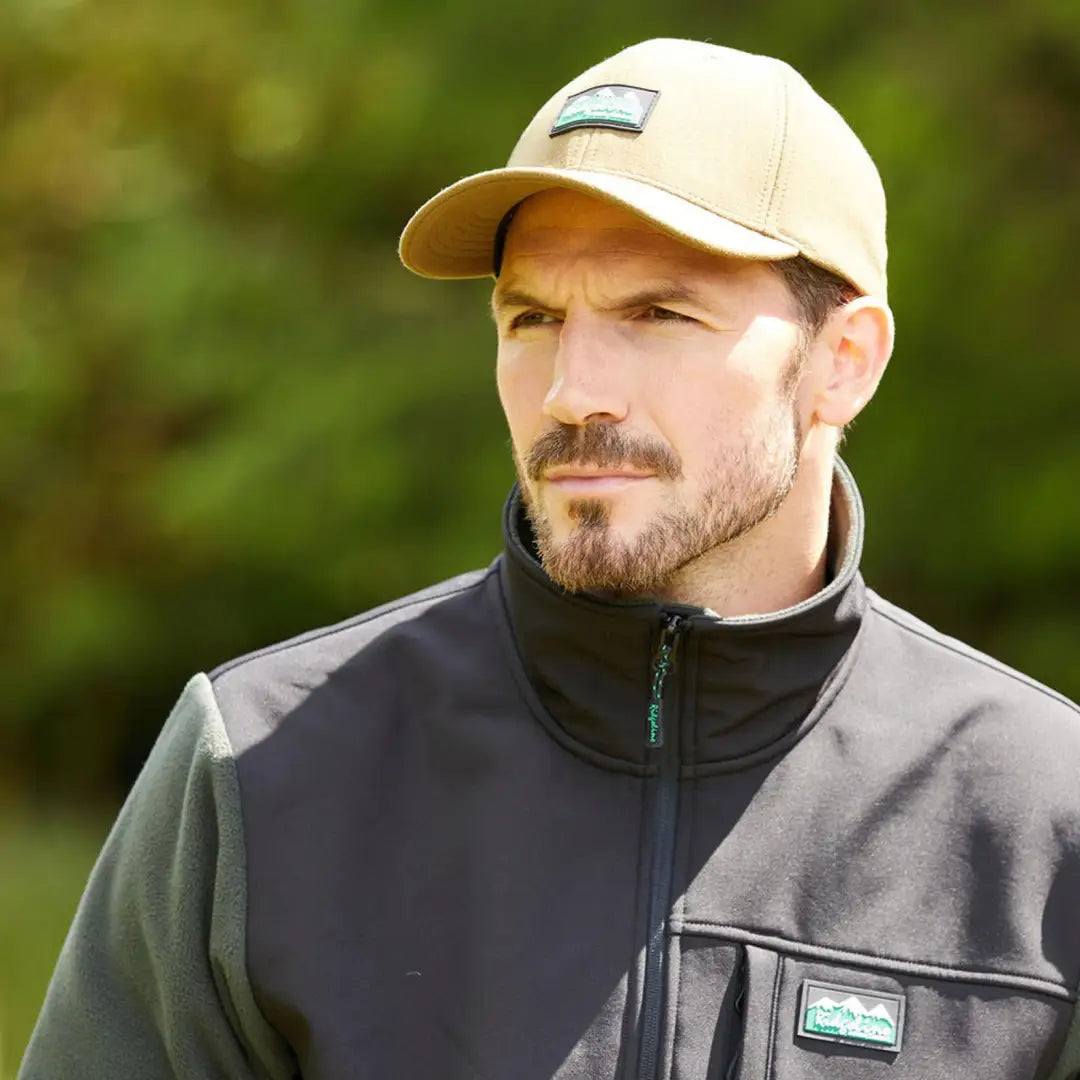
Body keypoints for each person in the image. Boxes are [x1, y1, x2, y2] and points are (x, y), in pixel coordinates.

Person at [19, 37, 1080, 1080]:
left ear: (843, 362)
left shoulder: (1045, 813)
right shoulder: (260, 766)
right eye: (532, 316)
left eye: (657, 313)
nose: (572, 393)